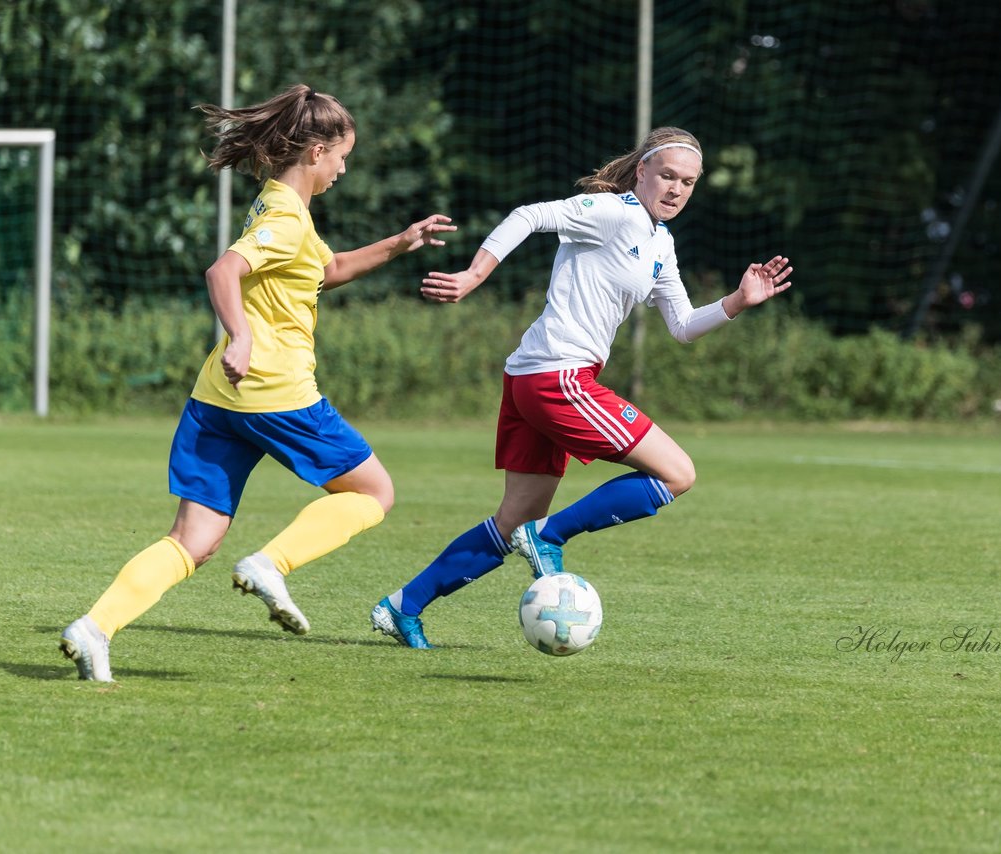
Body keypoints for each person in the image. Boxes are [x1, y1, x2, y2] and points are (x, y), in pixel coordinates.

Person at [59, 83, 456, 681]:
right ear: (317, 151)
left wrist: (401, 242)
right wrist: (241, 335)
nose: (345, 167)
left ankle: (94, 629)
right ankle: (271, 564)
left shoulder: (280, 205)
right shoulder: (283, 218)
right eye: (343, 154)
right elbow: (224, 270)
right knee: (373, 493)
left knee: (193, 539)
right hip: (276, 392)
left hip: (218, 399)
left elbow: (329, 269)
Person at [369, 127, 792, 648]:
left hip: (531, 375)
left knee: (512, 518)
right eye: (667, 176)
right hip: (558, 375)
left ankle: (402, 607)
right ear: (642, 171)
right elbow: (529, 215)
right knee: (678, 473)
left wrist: (736, 302)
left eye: (688, 182)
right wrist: (474, 275)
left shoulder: (661, 242)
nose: (677, 189)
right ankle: (548, 536)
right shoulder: (613, 212)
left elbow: (681, 324)